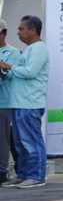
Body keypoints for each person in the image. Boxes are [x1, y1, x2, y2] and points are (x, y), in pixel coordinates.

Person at [0, 15, 50, 188]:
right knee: (20, 143)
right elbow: (18, 74)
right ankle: (23, 174)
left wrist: (8, 66)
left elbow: (30, 72)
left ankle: (36, 176)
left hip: (30, 103)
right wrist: (6, 71)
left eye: (21, 29)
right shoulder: (28, 49)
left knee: (31, 141)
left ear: (33, 30)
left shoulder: (39, 48)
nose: (18, 32)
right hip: (19, 102)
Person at [0, 19, 21, 185]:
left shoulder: (13, 52)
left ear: (4, 33)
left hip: (4, 103)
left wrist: (3, 68)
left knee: (3, 140)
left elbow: (13, 75)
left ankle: (3, 172)